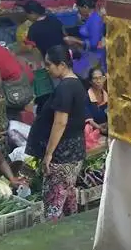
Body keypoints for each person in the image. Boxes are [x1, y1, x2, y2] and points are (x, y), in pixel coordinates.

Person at [26, 44, 88, 221]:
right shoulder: (78, 84)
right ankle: (71, 230)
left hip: (62, 153)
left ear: (61, 64)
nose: (46, 69)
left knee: (54, 201)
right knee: (68, 195)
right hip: (75, 150)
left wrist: (48, 154)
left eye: (48, 65)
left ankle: (55, 234)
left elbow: (60, 122)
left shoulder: (65, 88)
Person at [73, 0, 106, 79]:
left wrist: (76, 41)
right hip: (88, 54)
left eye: (78, 8)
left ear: (85, 7)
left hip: (95, 57)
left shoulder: (95, 20)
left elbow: (94, 44)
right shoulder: (89, 18)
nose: (78, 11)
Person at [85, 66, 108, 134]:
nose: (98, 81)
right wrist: (100, 128)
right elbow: (89, 120)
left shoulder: (107, 95)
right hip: (92, 133)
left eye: (100, 78)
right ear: (90, 81)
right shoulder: (86, 97)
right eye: (95, 78)